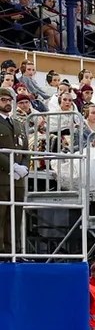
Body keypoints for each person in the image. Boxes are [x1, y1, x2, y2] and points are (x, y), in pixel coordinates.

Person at [0, 87, 24, 257]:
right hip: (2, 176)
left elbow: (25, 149)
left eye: (9, 100)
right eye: (3, 100)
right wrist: (11, 166)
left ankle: (14, 251)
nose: (7, 103)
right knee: (1, 216)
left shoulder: (18, 124)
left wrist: (23, 168)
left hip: (17, 179)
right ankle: (2, 252)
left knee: (16, 217)